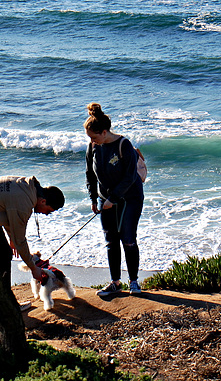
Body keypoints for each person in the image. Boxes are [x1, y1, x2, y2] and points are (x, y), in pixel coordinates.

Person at [0, 175, 65, 329]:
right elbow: (21, 238)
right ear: (42, 201)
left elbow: (9, 210)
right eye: (48, 211)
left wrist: (12, 238)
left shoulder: (31, 188)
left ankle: (8, 305)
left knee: (4, 254)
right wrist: (34, 268)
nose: (46, 214)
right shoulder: (24, 202)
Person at [84, 102, 144, 296]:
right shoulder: (93, 147)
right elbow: (90, 174)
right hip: (105, 198)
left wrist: (114, 198)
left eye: (94, 137)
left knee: (127, 239)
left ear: (104, 132)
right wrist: (94, 199)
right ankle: (115, 283)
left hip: (129, 198)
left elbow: (130, 177)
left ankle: (134, 282)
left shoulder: (123, 144)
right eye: (89, 138)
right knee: (111, 241)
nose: (92, 141)